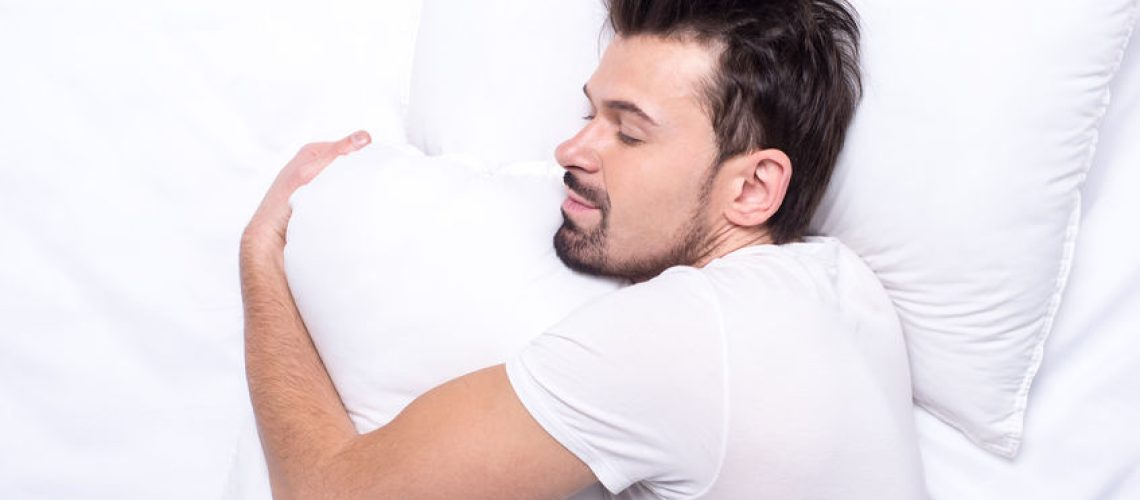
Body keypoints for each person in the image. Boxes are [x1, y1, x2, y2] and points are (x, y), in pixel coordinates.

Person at [240, 0, 927, 498]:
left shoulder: (679, 342)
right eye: (588, 114)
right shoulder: (844, 287)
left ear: (753, 188)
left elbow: (328, 495)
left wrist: (262, 258)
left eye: (628, 134)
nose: (571, 152)